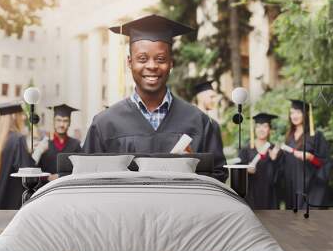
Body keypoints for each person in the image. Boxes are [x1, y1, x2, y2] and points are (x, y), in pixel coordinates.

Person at [83, 15, 227, 182]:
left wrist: (192, 171)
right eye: (142, 59)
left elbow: (218, 179)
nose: (152, 66)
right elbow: (88, 180)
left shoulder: (201, 123)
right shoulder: (104, 124)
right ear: (129, 62)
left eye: (160, 59)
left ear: (171, 63)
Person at [281, 99, 331, 209]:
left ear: (306, 114)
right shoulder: (289, 138)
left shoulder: (316, 136)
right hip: (292, 189)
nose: (294, 116)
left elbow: (325, 162)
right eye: (292, 112)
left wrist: (310, 157)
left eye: (298, 112)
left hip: (310, 188)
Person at [0, 101, 35, 210]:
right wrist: (36, 154)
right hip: (14, 205)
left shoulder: (0, 141)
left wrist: (27, 152)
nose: (23, 117)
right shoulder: (18, 139)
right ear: (14, 116)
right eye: (21, 114)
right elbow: (28, 173)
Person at [239, 113, 280, 209]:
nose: (261, 129)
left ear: (270, 129)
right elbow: (238, 173)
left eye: (265, 126)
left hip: (269, 197)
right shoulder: (246, 149)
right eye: (258, 126)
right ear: (254, 129)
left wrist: (274, 160)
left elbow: (279, 179)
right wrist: (246, 169)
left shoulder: (275, 150)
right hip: (251, 195)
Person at [37, 103, 82, 180]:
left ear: (70, 123)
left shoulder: (76, 145)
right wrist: (47, 178)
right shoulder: (44, 144)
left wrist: (61, 176)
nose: (62, 124)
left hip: (68, 188)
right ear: (53, 121)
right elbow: (35, 170)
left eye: (65, 121)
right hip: (46, 189)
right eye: (58, 120)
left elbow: (80, 170)